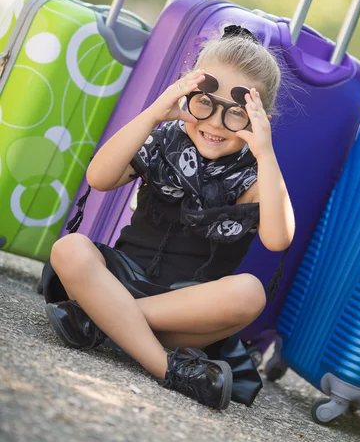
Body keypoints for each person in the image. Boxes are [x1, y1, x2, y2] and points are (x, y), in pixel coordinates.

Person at [42, 25, 295, 411]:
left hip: (184, 309)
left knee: (249, 292)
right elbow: (99, 177)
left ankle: (98, 320)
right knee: (69, 249)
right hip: (118, 280)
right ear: (187, 94)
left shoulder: (259, 173)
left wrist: (266, 154)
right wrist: (155, 113)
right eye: (204, 103)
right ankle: (167, 368)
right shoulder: (165, 141)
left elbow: (279, 239)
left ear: (261, 121)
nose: (213, 123)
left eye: (236, 114)